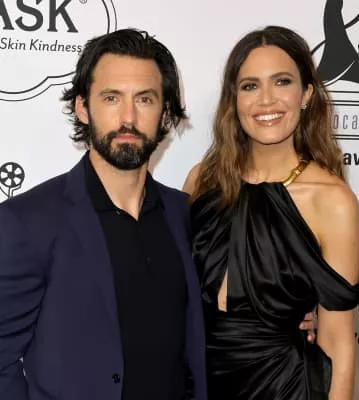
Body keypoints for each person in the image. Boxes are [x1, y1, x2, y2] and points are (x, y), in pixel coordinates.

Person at [0, 28, 207, 400]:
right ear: (83, 107)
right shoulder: (27, 222)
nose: (128, 117)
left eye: (145, 99)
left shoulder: (185, 214)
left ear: (165, 113)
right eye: (112, 98)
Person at [183, 26, 359, 400]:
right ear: (234, 99)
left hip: (284, 387)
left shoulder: (332, 201)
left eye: (282, 82)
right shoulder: (202, 182)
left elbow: (339, 343)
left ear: (306, 94)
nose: (266, 100)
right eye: (250, 86)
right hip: (199, 383)